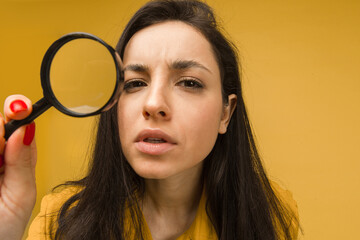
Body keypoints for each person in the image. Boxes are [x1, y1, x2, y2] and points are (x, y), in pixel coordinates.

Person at [0, 0, 300, 239]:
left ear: (226, 113)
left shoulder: (270, 213)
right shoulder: (61, 220)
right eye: (134, 84)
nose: (154, 104)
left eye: (189, 83)